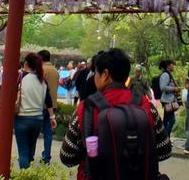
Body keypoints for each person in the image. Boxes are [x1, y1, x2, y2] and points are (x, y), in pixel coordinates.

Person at [60, 48, 172, 180]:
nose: (94, 76)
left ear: (105, 74)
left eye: (96, 72)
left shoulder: (86, 108)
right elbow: (164, 150)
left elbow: (67, 157)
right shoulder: (146, 105)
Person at [14, 53, 55, 169]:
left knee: (23, 152)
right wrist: (52, 118)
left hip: (22, 118)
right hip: (38, 119)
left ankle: (25, 174)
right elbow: (48, 101)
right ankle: (29, 171)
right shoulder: (42, 81)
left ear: (26, 64)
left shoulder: (21, 78)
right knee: (30, 151)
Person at [38, 49, 59, 164]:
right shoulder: (55, 70)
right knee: (48, 132)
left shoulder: (41, 70)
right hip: (53, 105)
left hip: (41, 105)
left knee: (34, 132)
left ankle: (30, 154)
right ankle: (46, 156)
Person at [159, 59, 180, 137]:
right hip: (167, 101)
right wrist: (174, 89)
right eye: (172, 64)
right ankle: (166, 138)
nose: (173, 66)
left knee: (166, 120)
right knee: (171, 120)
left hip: (169, 100)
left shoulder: (168, 74)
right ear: (168, 66)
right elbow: (163, 87)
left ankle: (163, 138)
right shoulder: (166, 75)